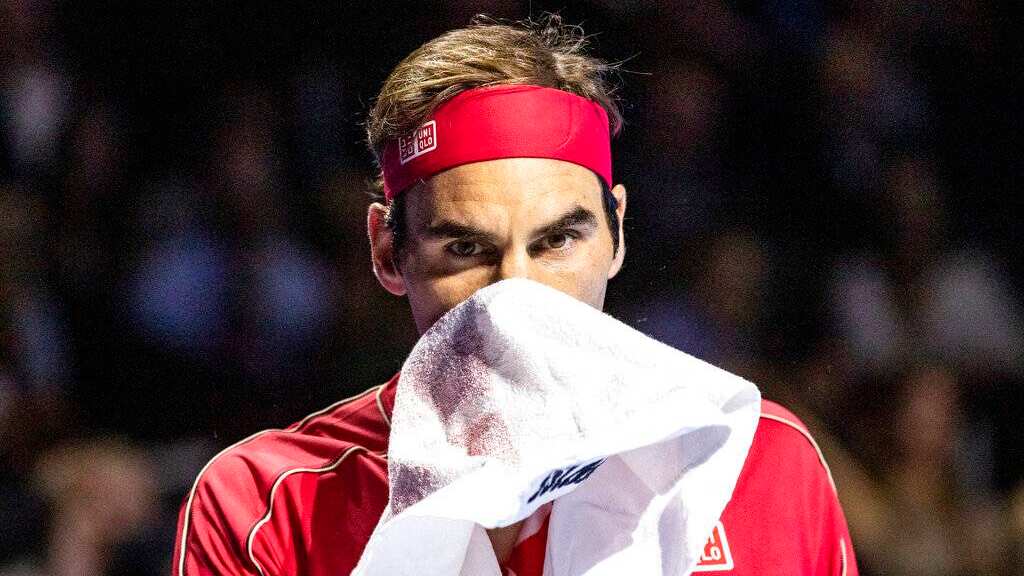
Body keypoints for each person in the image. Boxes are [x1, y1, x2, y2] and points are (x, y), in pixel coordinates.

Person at [173, 16, 858, 575]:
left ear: (617, 233)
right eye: (465, 249)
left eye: (557, 241)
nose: (517, 297)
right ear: (386, 251)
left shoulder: (758, 462)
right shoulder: (264, 505)